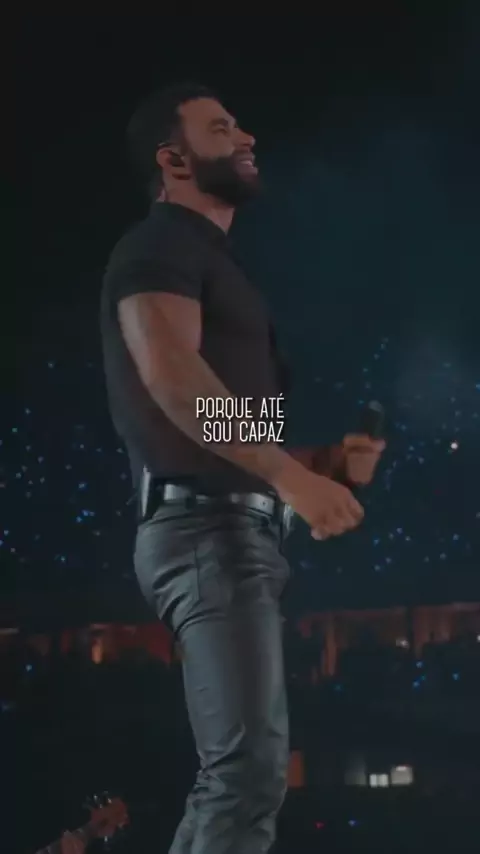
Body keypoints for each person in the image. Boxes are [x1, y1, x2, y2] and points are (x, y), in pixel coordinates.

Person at [100, 82, 385, 854]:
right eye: (221, 128)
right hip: (205, 533)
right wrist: (292, 479)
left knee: (243, 775)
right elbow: (174, 379)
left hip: (226, 530)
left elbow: (217, 424)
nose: (247, 136)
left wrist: (319, 464)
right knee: (246, 774)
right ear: (174, 160)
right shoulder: (159, 247)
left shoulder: (204, 260)